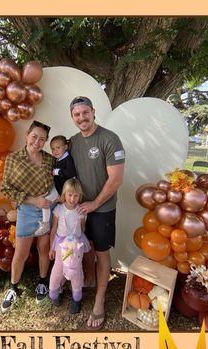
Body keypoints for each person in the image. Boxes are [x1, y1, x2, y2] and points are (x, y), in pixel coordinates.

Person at [68, 96, 125, 330]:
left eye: (85, 112)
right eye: (77, 114)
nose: (82, 117)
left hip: (102, 209)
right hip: (80, 209)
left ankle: (99, 300)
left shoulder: (109, 139)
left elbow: (116, 179)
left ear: (93, 112)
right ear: (72, 117)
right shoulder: (72, 142)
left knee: (101, 252)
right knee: (85, 247)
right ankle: (89, 281)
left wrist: (95, 204)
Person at [0, 120, 56, 312]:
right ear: (27, 135)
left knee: (43, 248)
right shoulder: (13, 159)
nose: (37, 142)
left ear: (45, 141)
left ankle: (42, 282)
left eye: (42, 139)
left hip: (47, 210)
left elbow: (57, 182)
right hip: (27, 210)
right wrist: (33, 200)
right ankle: (13, 287)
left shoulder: (49, 159)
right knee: (21, 252)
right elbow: (6, 189)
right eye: (34, 137)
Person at [48, 178, 90, 314]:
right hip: (61, 245)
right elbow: (54, 229)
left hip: (76, 246)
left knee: (76, 270)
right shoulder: (59, 210)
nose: (72, 199)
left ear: (80, 196)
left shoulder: (80, 211)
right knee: (58, 269)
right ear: (64, 194)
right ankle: (55, 290)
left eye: (76, 195)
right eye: (70, 195)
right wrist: (51, 248)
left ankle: (76, 297)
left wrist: (80, 241)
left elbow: (83, 228)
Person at [34, 135, 77, 236]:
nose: (55, 151)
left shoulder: (68, 159)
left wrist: (57, 171)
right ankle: (46, 223)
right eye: (53, 149)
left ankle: (47, 224)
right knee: (45, 199)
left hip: (64, 189)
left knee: (48, 202)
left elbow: (71, 173)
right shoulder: (57, 159)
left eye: (58, 148)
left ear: (65, 147)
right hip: (57, 186)